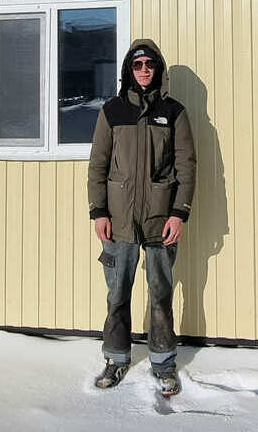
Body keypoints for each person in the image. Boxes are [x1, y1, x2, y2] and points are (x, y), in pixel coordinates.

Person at [86, 38, 196, 395]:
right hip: (118, 221)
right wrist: (98, 212)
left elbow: (186, 166)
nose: (144, 70)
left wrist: (179, 213)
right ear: (128, 70)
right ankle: (116, 358)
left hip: (160, 220)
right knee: (117, 293)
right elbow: (98, 165)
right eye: (138, 65)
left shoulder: (174, 112)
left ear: (158, 69)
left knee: (160, 292)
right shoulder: (112, 111)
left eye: (150, 64)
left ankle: (163, 363)